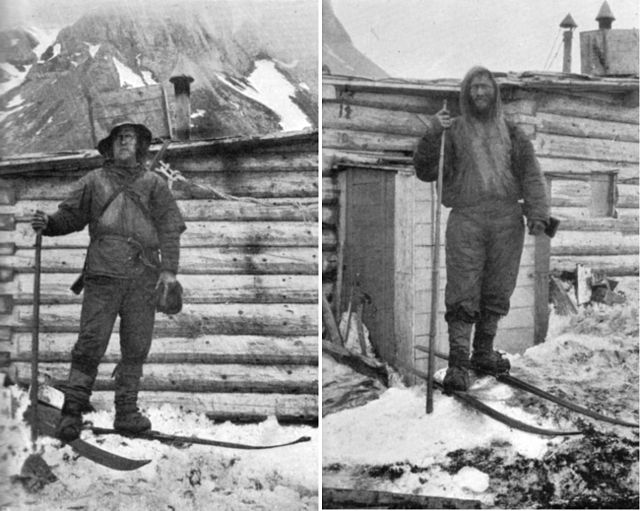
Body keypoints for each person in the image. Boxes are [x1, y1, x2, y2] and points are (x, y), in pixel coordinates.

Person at [31, 120, 186, 441]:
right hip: (102, 276)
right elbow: (69, 217)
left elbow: (170, 227)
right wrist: (48, 222)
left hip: (144, 279)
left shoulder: (154, 185)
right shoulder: (94, 182)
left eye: (131, 138)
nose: (125, 141)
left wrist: (169, 271)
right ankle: (71, 413)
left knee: (136, 347)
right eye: (119, 137)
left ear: (142, 147)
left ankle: (127, 413)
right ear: (111, 146)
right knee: (90, 344)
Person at [413, 66, 550, 393]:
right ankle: (459, 365)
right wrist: (433, 134)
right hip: (467, 218)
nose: (479, 93)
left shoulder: (512, 133)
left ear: (495, 92)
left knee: (498, 289)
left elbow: (531, 175)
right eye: (473, 88)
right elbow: (424, 171)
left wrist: (539, 216)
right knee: (463, 289)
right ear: (465, 93)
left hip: (506, 218)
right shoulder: (452, 131)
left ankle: (483, 353)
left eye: (484, 87)